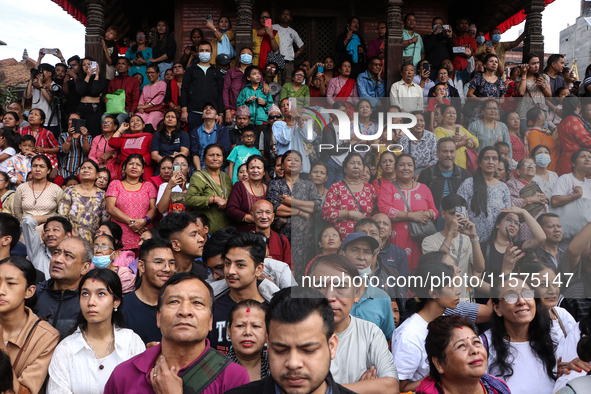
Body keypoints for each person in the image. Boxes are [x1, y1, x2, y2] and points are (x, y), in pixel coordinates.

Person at [104, 271, 250, 393]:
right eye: (174, 301)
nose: (185, 311)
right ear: (158, 317)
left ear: (211, 321)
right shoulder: (125, 374)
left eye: (197, 303)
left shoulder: (233, 377)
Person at [308, 254, 400, 394]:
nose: (330, 297)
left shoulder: (370, 333)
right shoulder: (298, 333)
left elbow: (391, 386)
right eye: (320, 286)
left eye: (341, 286)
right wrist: (361, 389)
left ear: (356, 293)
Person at [47, 268, 145, 394]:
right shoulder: (66, 349)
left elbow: (140, 388)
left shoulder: (131, 342)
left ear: (116, 301)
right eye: (85, 294)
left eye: (101, 294)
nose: (91, 302)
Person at [392, 260, 460, 392]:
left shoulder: (445, 321)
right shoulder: (409, 334)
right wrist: (442, 375)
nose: (458, 291)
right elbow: (400, 388)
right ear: (433, 293)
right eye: (451, 286)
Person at [483, 278, 556, 394]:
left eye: (527, 294)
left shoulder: (552, 340)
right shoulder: (482, 346)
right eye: (511, 296)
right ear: (497, 308)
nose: (521, 301)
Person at [0, 256, 60, 394]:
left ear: (29, 291)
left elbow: (26, 392)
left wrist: (2, 348)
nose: (1, 290)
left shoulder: (45, 337)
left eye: (11, 283)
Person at [416, 315, 512, 394]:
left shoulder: (498, 388)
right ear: (439, 363)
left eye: (476, 342)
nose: (474, 350)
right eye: (461, 346)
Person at [208, 232, 269, 354]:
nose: (230, 271)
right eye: (227, 263)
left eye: (240, 265)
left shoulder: (273, 310)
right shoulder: (210, 308)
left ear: (258, 269)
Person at [378, 154, 438, 270]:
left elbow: (435, 211)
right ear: (395, 169)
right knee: (394, 271)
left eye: (409, 165)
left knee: (416, 271)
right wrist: (411, 216)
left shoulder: (423, 188)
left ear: (414, 169)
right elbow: (384, 209)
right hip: (395, 238)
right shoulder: (387, 188)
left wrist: (427, 214)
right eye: (402, 165)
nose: (406, 168)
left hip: (418, 239)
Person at [422, 194, 485, 299]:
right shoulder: (429, 241)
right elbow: (438, 266)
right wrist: (451, 232)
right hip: (442, 301)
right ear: (443, 214)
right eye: (452, 213)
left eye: (460, 214)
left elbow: (480, 268)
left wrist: (473, 236)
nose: (457, 217)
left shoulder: (468, 239)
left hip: (465, 300)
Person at [267, 150, 321, 272]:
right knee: (282, 271)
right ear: (282, 165)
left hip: (305, 239)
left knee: (303, 273)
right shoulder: (276, 184)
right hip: (282, 236)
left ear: (302, 165)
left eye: (297, 160)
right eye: (290, 160)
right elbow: (276, 208)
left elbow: (317, 206)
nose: (293, 162)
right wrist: (301, 212)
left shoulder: (309, 185)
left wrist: (292, 202)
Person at [35, 236, 92, 337]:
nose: (58, 259)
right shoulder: (35, 294)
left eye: (68, 256)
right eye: (56, 253)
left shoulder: (90, 301)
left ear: (85, 268)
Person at [122, 238, 176, 345]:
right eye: (159, 262)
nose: (167, 269)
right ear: (141, 266)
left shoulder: (179, 308)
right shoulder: (122, 309)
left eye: (171, 263)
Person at [457, 147, 511, 241]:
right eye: (486, 158)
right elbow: (459, 210)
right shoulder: (468, 184)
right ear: (480, 163)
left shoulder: (503, 187)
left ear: (498, 163)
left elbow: (507, 214)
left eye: (494, 159)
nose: (490, 162)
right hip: (471, 240)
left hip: (495, 242)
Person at [106, 154, 157, 251]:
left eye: (138, 164)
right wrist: (133, 223)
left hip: (143, 236)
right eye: (131, 164)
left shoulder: (148, 186)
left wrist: (144, 221)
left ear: (142, 170)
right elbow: (110, 208)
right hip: (120, 235)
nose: (134, 166)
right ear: (124, 168)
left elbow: (153, 209)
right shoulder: (115, 184)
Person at [418, 138, 472, 231]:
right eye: (445, 151)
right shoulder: (427, 174)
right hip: (433, 225)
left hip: (459, 225)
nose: (449, 155)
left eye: (452, 151)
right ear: (437, 153)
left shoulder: (464, 175)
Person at [323, 153, 377, 240]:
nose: (356, 166)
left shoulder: (370, 189)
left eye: (359, 163)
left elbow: (374, 214)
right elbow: (326, 213)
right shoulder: (336, 187)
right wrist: (349, 214)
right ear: (344, 168)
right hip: (340, 241)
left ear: (363, 169)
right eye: (352, 163)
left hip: (364, 239)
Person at [58, 159, 108, 243]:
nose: (86, 170)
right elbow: (62, 217)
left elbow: (105, 221)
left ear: (97, 175)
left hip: (93, 242)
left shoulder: (102, 195)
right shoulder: (69, 191)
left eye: (89, 168)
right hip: (70, 239)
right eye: (83, 168)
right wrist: (74, 236)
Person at [186, 144, 232, 234]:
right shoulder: (198, 176)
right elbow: (189, 200)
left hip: (226, 230)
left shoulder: (226, 177)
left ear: (223, 158)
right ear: (204, 158)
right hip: (207, 231)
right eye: (211, 155)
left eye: (218, 155)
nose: (215, 158)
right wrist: (214, 199)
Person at [13, 155, 63, 232]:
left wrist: (41, 220)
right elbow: (17, 212)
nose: (37, 169)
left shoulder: (56, 189)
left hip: (49, 233)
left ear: (48, 170)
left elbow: (61, 214)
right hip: (26, 232)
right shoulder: (21, 188)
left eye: (42, 166)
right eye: (34, 166)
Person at [506, 157, 548, 240]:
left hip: (540, 225)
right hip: (523, 226)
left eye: (533, 165)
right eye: (526, 164)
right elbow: (511, 202)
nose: (530, 166)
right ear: (518, 171)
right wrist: (531, 199)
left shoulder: (536, 186)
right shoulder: (512, 183)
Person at [158, 212, 208, 278]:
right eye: (193, 235)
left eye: (199, 233)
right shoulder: (160, 276)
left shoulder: (202, 275)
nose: (201, 239)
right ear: (175, 245)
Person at [551, 148, 591, 224]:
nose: (587, 159)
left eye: (590, 157)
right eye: (583, 157)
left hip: (585, 228)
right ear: (573, 163)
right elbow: (555, 201)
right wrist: (576, 196)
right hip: (569, 228)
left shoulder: (589, 182)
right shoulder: (565, 178)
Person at [107, 115, 154, 180]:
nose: (135, 122)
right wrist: (121, 129)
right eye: (132, 121)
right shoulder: (125, 138)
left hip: (143, 168)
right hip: (125, 169)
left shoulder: (149, 137)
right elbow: (112, 143)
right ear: (129, 126)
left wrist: (140, 160)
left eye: (138, 120)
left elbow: (153, 152)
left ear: (143, 125)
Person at [433, 105, 478, 169]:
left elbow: (476, 141)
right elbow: (442, 147)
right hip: (450, 166)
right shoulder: (439, 130)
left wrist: (466, 141)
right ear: (442, 116)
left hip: (467, 165)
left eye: (454, 113)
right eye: (449, 113)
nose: (452, 115)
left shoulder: (460, 128)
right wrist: (462, 142)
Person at [516, 53, 551, 133]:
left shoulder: (544, 77)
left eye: (538, 63)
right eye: (533, 63)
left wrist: (543, 86)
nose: (536, 66)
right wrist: (524, 74)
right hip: (525, 112)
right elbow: (521, 92)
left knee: (542, 138)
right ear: (526, 65)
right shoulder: (519, 78)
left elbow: (549, 97)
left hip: (541, 113)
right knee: (528, 137)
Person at [189, 103, 231, 171]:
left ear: (217, 116)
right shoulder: (195, 132)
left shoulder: (223, 130)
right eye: (205, 108)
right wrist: (200, 172)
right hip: (199, 167)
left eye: (211, 108)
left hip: (217, 166)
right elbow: (194, 153)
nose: (208, 109)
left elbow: (224, 150)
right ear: (202, 115)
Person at [17, 109, 60, 174]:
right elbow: (15, 146)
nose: (31, 116)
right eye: (31, 114)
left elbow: (57, 149)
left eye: (36, 114)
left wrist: (43, 150)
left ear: (41, 120)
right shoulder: (21, 130)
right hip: (24, 161)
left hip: (41, 162)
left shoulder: (47, 133)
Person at [557, 96, 591, 175]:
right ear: (579, 105)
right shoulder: (573, 119)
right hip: (576, 160)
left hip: (566, 159)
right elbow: (585, 141)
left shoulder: (562, 122)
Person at [251, 199, 291, 266]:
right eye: (259, 212)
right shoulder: (245, 239)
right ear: (252, 216)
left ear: (273, 217)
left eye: (268, 212)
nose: (264, 217)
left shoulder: (282, 240)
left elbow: (290, 269)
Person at [75, 58, 108, 137]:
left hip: (94, 108)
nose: (86, 66)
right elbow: (80, 92)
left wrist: (96, 76)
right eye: (84, 65)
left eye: (89, 64)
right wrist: (88, 76)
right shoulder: (79, 79)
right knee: (79, 132)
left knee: (93, 133)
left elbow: (94, 92)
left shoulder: (102, 80)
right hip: (82, 107)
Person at [23, 63, 59, 135]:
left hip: (50, 122)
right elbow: (27, 96)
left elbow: (51, 101)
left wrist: (41, 85)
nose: (40, 73)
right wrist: (31, 80)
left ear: (49, 73)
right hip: (35, 122)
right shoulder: (34, 84)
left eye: (42, 71)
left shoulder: (55, 86)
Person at [223, 47, 255, 124]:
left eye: (249, 54)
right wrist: (227, 110)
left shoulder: (256, 73)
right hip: (233, 110)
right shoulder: (231, 72)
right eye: (243, 54)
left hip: (251, 111)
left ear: (252, 60)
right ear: (239, 59)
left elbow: (260, 88)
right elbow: (225, 90)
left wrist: (265, 85)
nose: (246, 55)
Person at [523, 107, 560, 173]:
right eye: (544, 114)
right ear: (539, 117)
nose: (545, 117)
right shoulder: (533, 133)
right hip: (545, 172)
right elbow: (536, 156)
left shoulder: (544, 132)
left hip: (554, 170)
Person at [272, 9, 305, 83]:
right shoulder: (273, 27)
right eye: (283, 14)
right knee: (276, 83)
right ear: (279, 16)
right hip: (275, 60)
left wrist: (295, 55)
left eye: (288, 14)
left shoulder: (292, 32)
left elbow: (302, 46)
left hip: (289, 63)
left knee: (288, 84)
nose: (285, 16)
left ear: (290, 18)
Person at [105, 58, 140, 125]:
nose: (120, 65)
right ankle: (105, 136)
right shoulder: (112, 82)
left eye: (123, 64)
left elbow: (135, 98)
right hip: (114, 109)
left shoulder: (134, 81)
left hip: (127, 109)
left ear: (128, 67)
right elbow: (109, 97)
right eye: (118, 63)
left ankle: (121, 136)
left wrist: (132, 110)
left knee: (120, 118)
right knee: (104, 117)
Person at [58, 113, 92, 177]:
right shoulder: (63, 136)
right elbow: (64, 150)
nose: (73, 122)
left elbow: (86, 150)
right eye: (70, 119)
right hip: (65, 169)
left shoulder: (87, 136)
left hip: (81, 170)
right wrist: (70, 137)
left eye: (75, 120)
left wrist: (85, 136)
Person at [135, 65, 167, 129]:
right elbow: (142, 99)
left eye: (152, 72)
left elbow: (159, 98)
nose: (149, 75)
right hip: (145, 109)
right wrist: (140, 106)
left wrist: (145, 106)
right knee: (137, 117)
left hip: (156, 109)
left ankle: (147, 137)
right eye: (148, 73)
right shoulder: (145, 87)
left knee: (151, 119)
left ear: (158, 73)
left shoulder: (162, 84)